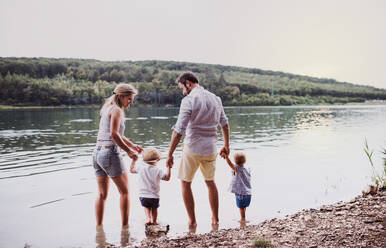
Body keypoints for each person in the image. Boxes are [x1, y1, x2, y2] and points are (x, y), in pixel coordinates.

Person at [166, 71, 230, 229]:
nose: (182, 91)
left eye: (182, 87)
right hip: (211, 148)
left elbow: (179, 130)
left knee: (185, 183)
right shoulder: (216, 98)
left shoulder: (188, 100)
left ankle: (192, 221)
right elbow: (225, 124)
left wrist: (169, 153)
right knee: (210, 182)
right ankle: (215, 220)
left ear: (188, 83)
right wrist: (226, 145)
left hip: (193, 147)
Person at [92, 83, 143, 227]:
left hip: (97, 153)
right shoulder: (117, 111)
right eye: (129, 98)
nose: (131, 102)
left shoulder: (107, 109)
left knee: (102, 195)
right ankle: (125, 229)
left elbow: (117, 134)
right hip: (109, 153)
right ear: (121, 96)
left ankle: (99, 230)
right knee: (125, 192)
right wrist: (129, 152)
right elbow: (114, 135)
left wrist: (132, 145)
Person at [130, 147, 171, 225]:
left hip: (143, 195)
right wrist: (169, 167)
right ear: (157, 160)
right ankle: (154, 221)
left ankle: (148, 218)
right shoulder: (158, 170)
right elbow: (167, 178)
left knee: (146, 207)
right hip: (154, 196)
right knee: (154, 209)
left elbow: (131, 170)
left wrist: (134, 160)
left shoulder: (140, 167)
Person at [224, 152, 251, 223]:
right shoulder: (247, 169)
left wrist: (226, 157)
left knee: (241, 207)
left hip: (241, 193)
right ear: (244, 161)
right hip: (248, 193)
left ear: (235, 161)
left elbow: (230, 164)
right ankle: (244, 217)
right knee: (243, 206)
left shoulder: (237, 169)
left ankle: (243, 219)